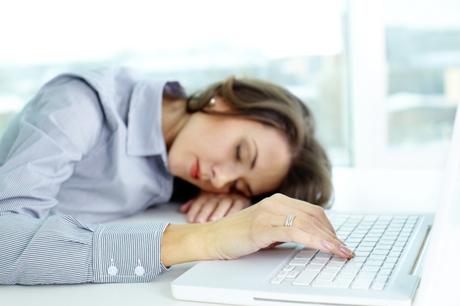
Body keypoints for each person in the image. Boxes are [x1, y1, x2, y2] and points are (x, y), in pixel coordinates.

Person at [0, 66, 353, 285]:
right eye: (239, 153)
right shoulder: (80, 107)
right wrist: (204, 239)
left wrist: (237, 199)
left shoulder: (183, 163)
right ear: (223, 100)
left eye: (236, 183)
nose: (218, 179)